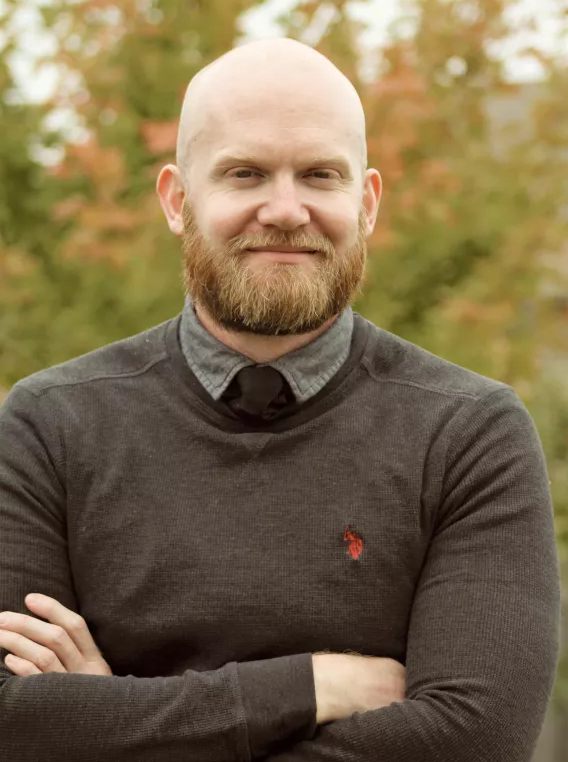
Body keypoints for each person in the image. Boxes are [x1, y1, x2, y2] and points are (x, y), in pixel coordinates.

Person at [0, 38, 561, 762]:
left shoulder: (469, 434)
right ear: (177, 200)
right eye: (246, 173)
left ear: (367, 203)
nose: (287, 209)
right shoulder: (50, 425)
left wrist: (110, 723)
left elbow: (477, 739)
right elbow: (11, 721)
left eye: (320, 175)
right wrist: (308, 687)